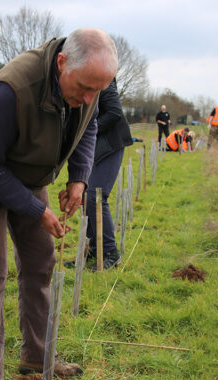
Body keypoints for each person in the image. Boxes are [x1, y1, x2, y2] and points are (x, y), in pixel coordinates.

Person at [0, 28, 118, 380]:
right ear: (62, 63)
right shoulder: (11, 89)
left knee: (41, 263)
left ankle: (37, 354)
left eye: (95, 92)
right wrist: (34, 208)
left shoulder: (87, 88)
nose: (87, 99)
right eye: (82, 88)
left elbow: (87, 127)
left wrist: (79, 177)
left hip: (31, 176)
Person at [67, 78, 132, 271]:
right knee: (86, 196)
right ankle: (95, 250)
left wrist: (88, 130)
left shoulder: (104, 79)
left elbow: (114, 113)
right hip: (93, 147)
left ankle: (111, 252)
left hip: (111, 144)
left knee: (96, 195)